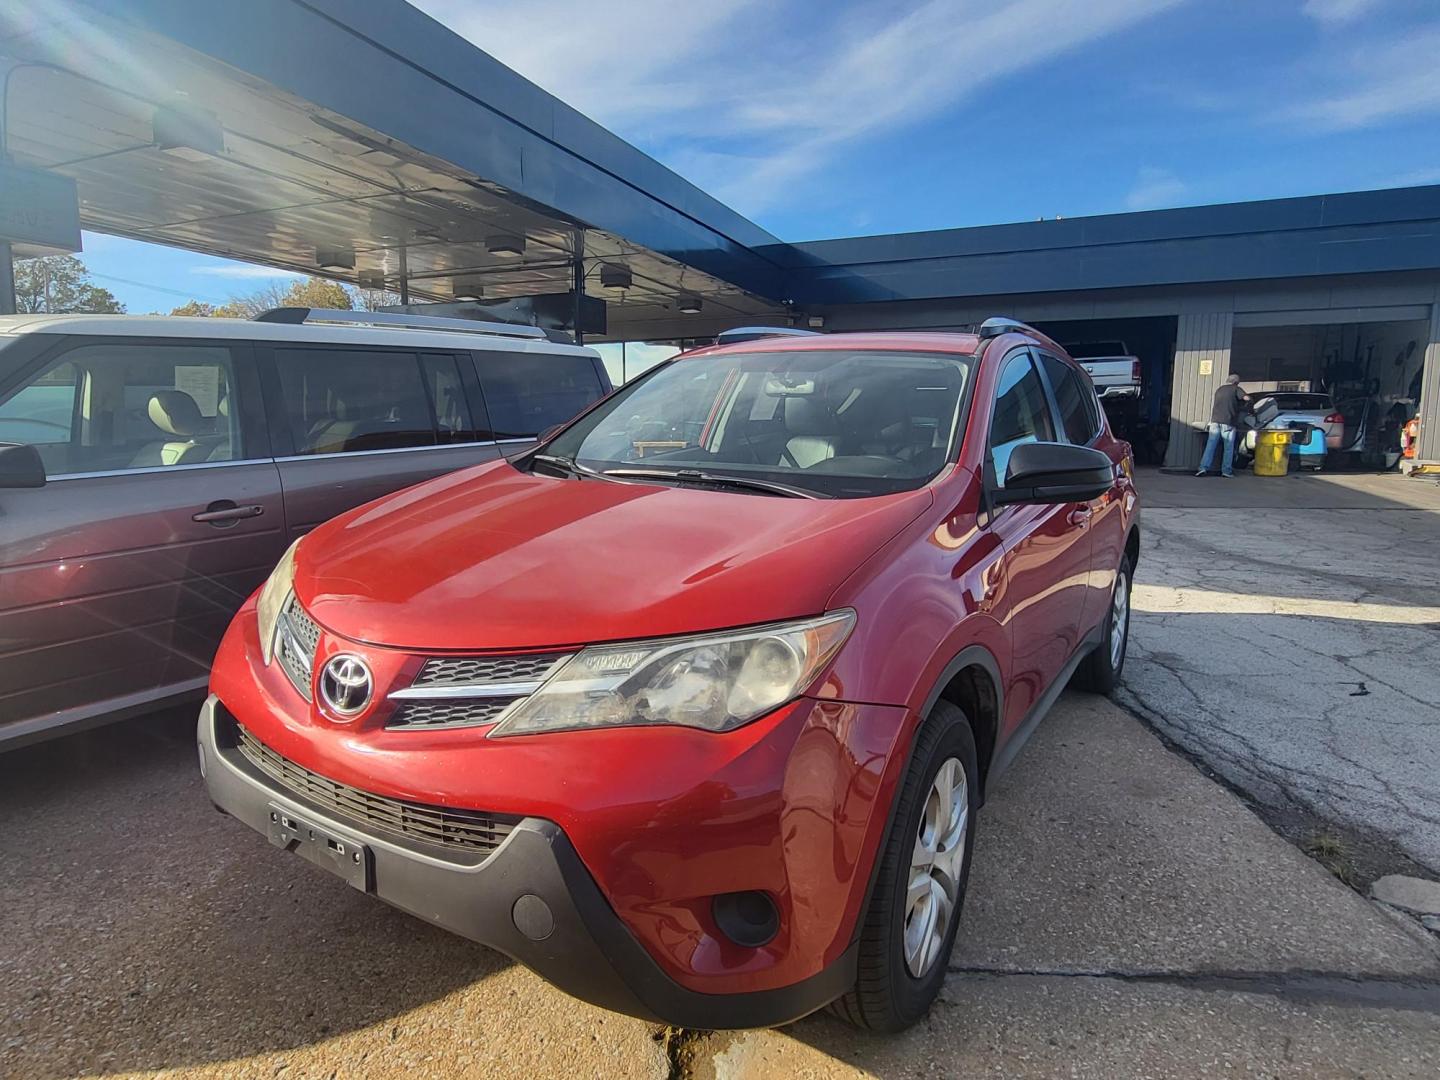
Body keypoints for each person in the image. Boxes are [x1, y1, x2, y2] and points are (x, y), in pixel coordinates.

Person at [1196, 373, 1248, 477]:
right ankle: (1226, 471)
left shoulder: (1219, 389)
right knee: (1228, 447)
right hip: (1228, 422)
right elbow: (1246, 398)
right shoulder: (1235, 389)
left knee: (1210, 446)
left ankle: (1203, 468)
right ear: (1236, 382)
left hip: (1215, 421)